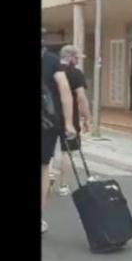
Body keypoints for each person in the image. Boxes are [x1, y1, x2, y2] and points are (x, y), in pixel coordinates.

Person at [41, 42, 76, 235]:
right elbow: (64, 90)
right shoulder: (51, 60)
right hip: (47, 123)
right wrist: (69, 122)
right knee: (43, 168)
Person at [48, 45, 92, 196]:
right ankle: (63, 185)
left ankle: (49, 175)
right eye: (77, 58)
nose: (78, 60)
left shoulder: (51, 69)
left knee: (48, 150)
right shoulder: (75, 73)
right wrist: (87, 117)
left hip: (48, 116)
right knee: (68, 151)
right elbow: (81, 97)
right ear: (70, 57)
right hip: (70, 118)